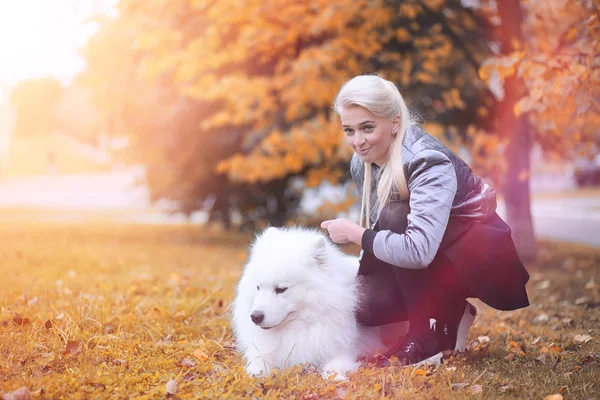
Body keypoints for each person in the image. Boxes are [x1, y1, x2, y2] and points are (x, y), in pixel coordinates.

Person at [321, 75, 530, 366]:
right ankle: (451, 311)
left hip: (480, 258)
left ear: (394, 123)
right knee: (366, 306)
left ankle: (424, 340)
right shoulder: (363, 161)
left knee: (395, 214)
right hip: (434, 251)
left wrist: (357, 234)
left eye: (367, 128)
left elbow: (417, 250)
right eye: (349, 130)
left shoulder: (426, 160)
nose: (357, 141)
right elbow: (382, 226)